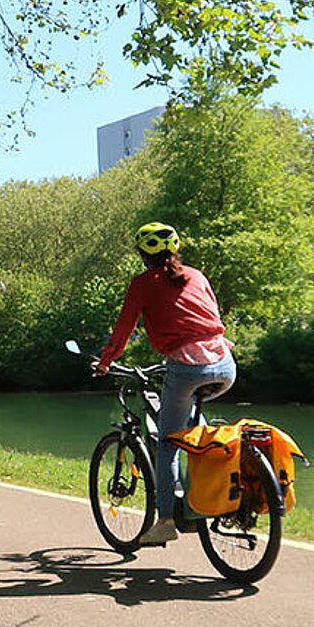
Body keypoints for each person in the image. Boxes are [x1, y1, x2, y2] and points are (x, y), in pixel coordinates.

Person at [92, 222, 236, 546]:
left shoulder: (142, 283)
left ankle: (166, 521)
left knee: (168, 445)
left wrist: (105, 362)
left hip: (187, 368)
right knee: (194, 428)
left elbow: (123, 330)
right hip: (225, 365)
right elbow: (211, 316)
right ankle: (203, 495)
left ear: (143, 256)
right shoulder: (196, 275)